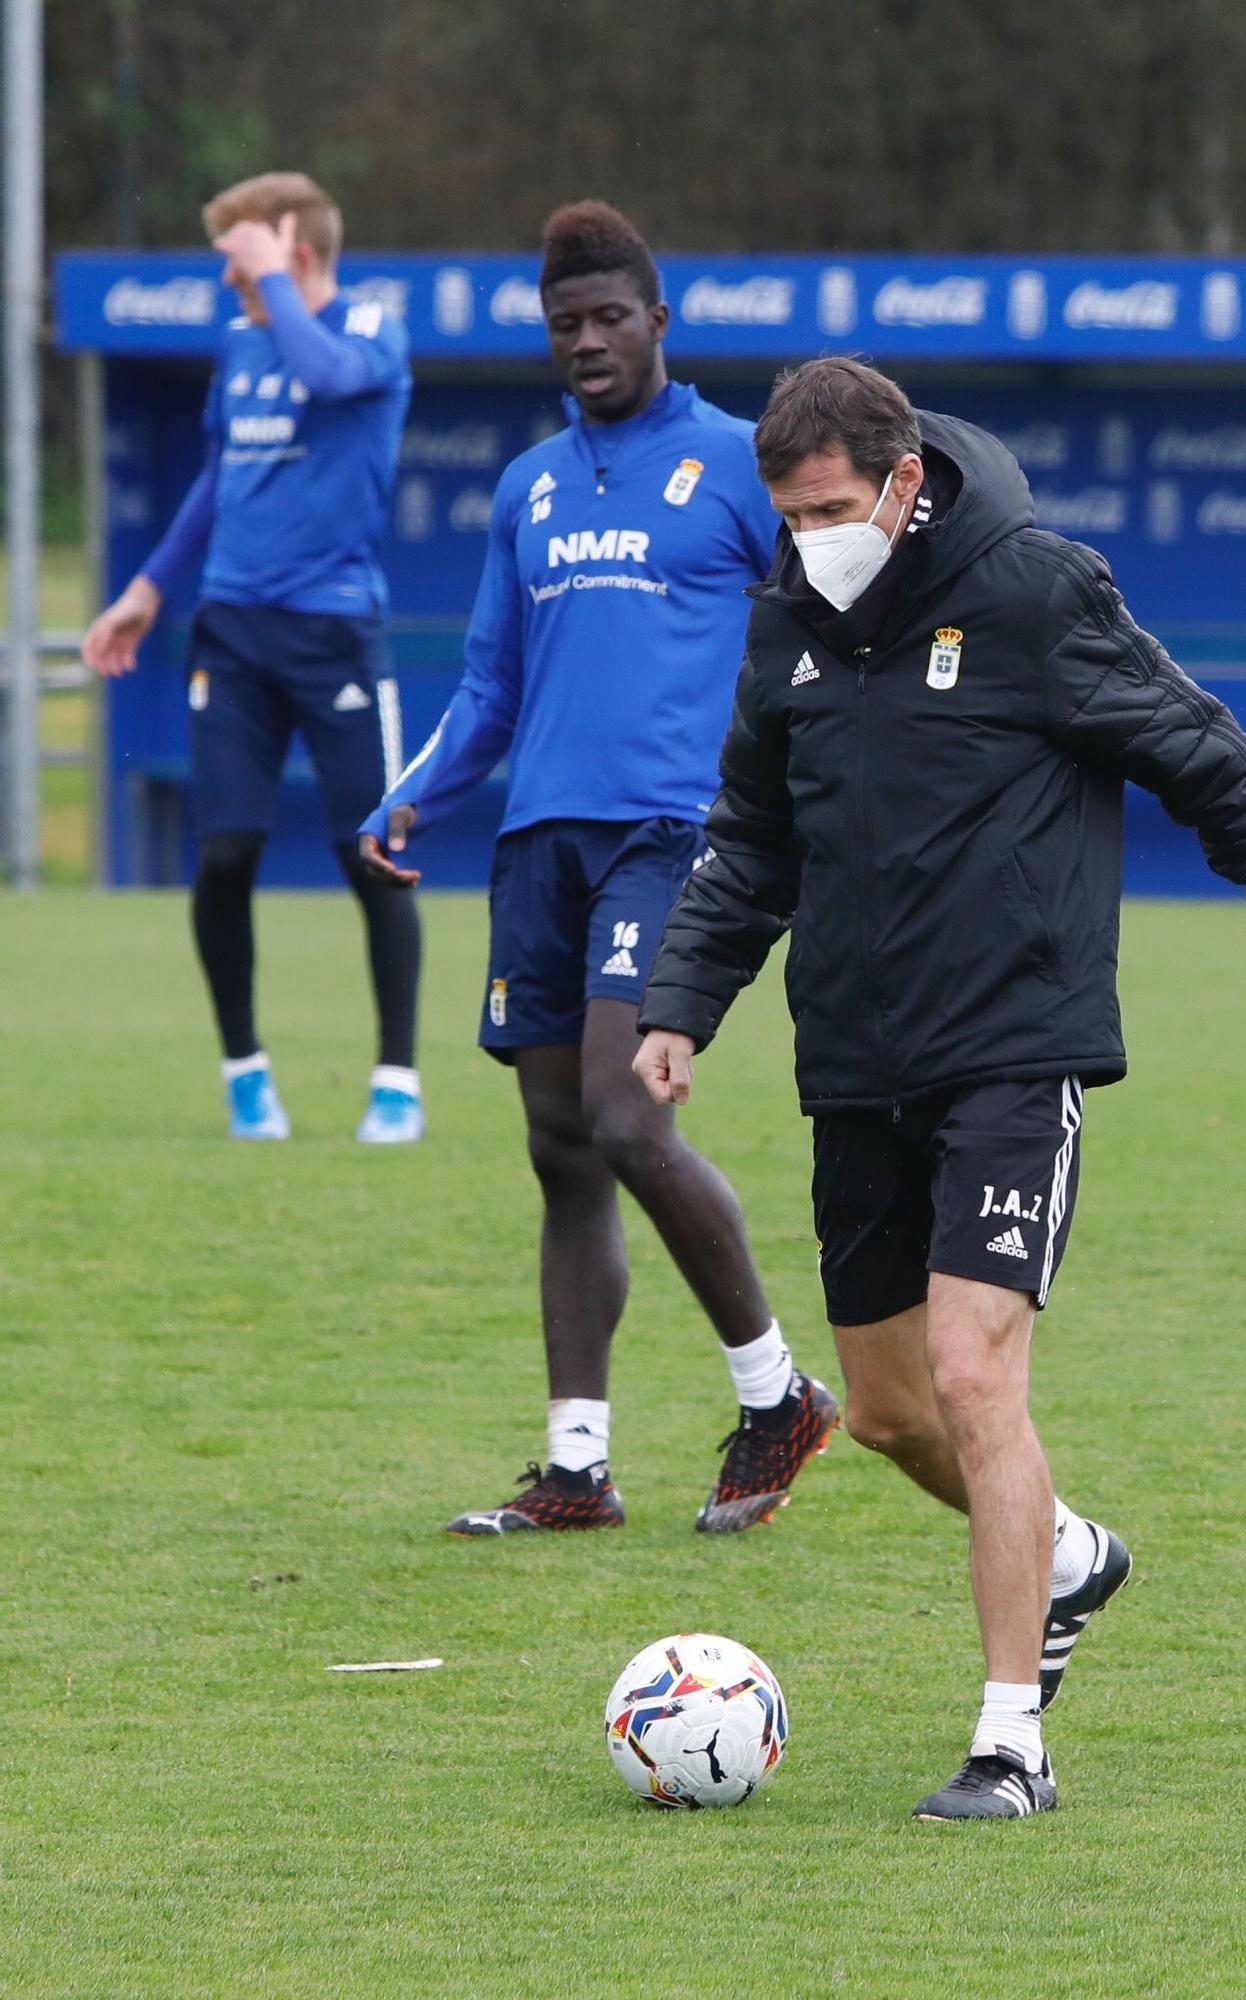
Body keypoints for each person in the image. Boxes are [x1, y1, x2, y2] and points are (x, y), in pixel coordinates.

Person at [635, 356, 1246, 1821]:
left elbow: (1203, 752)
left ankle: (1009, 1742)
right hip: (853, 1062)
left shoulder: (1031, 592)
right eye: (787, 515)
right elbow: (752, 838)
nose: (808, 538)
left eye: (831, 508)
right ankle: (1072, 1557)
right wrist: (680, 1009)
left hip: (1014, 1048)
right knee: (896, 1414)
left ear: (904, 485)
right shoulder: (788, 624)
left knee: (975, 1377)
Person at [359, 202, 838, 1535]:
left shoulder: (740, 462)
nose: (586, 341)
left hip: (670, 837)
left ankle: (776, 1396)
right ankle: (578, 1468)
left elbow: (829, 620)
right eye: (564, 323)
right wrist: (414, 800)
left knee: (630, 1119)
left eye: (608, 317)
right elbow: (488, 686)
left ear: (657, 323)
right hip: (538, 846)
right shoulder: (529, 486)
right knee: (564, 1149)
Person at [82, 173, 423, 1144]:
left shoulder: (371, 333)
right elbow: (218, 480)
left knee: (374, 855)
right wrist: (148, 588)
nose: (230, 284)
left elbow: (321, 375)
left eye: (240, 262)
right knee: (226, 851)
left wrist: (273, 278)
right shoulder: (241, 342)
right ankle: (246, 1075)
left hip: (335, 631)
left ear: (293, 255)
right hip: (231, 628)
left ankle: (396, 1080)